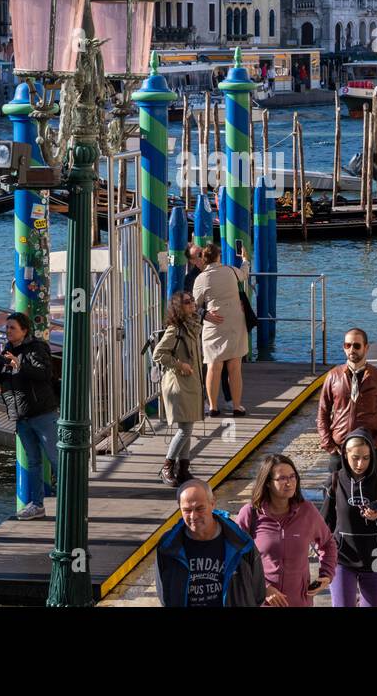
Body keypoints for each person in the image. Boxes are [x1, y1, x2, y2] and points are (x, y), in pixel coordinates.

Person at [234, 454, 337, 607]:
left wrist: (326, 575)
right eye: (282, 478)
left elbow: (328, 543)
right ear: (268, 483)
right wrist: (264, 588)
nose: (289, 483)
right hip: (261, 602)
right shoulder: (250, 513)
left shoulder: (307, 510)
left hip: (300, 602)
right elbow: (234, 556)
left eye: (292, 477)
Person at [320, 429, 377, 607]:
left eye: (366, 458)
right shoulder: (335, 481)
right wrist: (322, 551)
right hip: (342, 556)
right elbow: (324, 522)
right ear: (345, 454)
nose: (360, 464)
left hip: (376, 557)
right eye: (355, 458)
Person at [0, 311, 58, 520]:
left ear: (24, 330)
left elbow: (44, 374)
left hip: (42, 414)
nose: (7, 331)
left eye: (12, 328)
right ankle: (37, 505)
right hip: (21, 417)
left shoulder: (36, 348)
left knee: (56, 459)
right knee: (33, 461)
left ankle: (70, 501)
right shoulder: (6, 350)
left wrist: (20, 365)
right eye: (7, 328)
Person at [155, 479, 267, 607]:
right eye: (187, 510)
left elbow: (258, 594)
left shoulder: (242, 542)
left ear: (212, 503)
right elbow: (165, 597)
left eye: (200, 508)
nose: (193, 516)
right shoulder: (167, 547)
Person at [316, 328, 377, 472]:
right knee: (336, 492)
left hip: (369, 449)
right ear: (344, 348)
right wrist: (328, 444)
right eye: (348, 345)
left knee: (367, 493)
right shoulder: (333, 376)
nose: (351, 349)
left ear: (366, 348)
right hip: (339, 448)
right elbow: (323, 412)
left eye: (356, 345)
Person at [154, 292, 204, 487]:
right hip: (179, 383)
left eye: (192, 300)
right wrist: (179, 365)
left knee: (188, 428)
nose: (192, 303)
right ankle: (167, 466)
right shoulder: (175, 329)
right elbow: (158, 354)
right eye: (186, 302)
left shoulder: (192, 326)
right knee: (185, 429)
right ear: (178, 307)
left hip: (192, 383)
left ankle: (183, 469)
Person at [192, 244, 249, 417]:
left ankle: (213, 406)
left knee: (213, 366)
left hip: (214, 323)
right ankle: (237, 406)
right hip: (234, 321)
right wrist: (245, 260)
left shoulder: (201, 279)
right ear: (218, 257)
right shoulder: (231, 271)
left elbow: (194, 304)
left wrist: (204, 313)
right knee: (235, 366)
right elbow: (244, 273)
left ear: (204, 259)